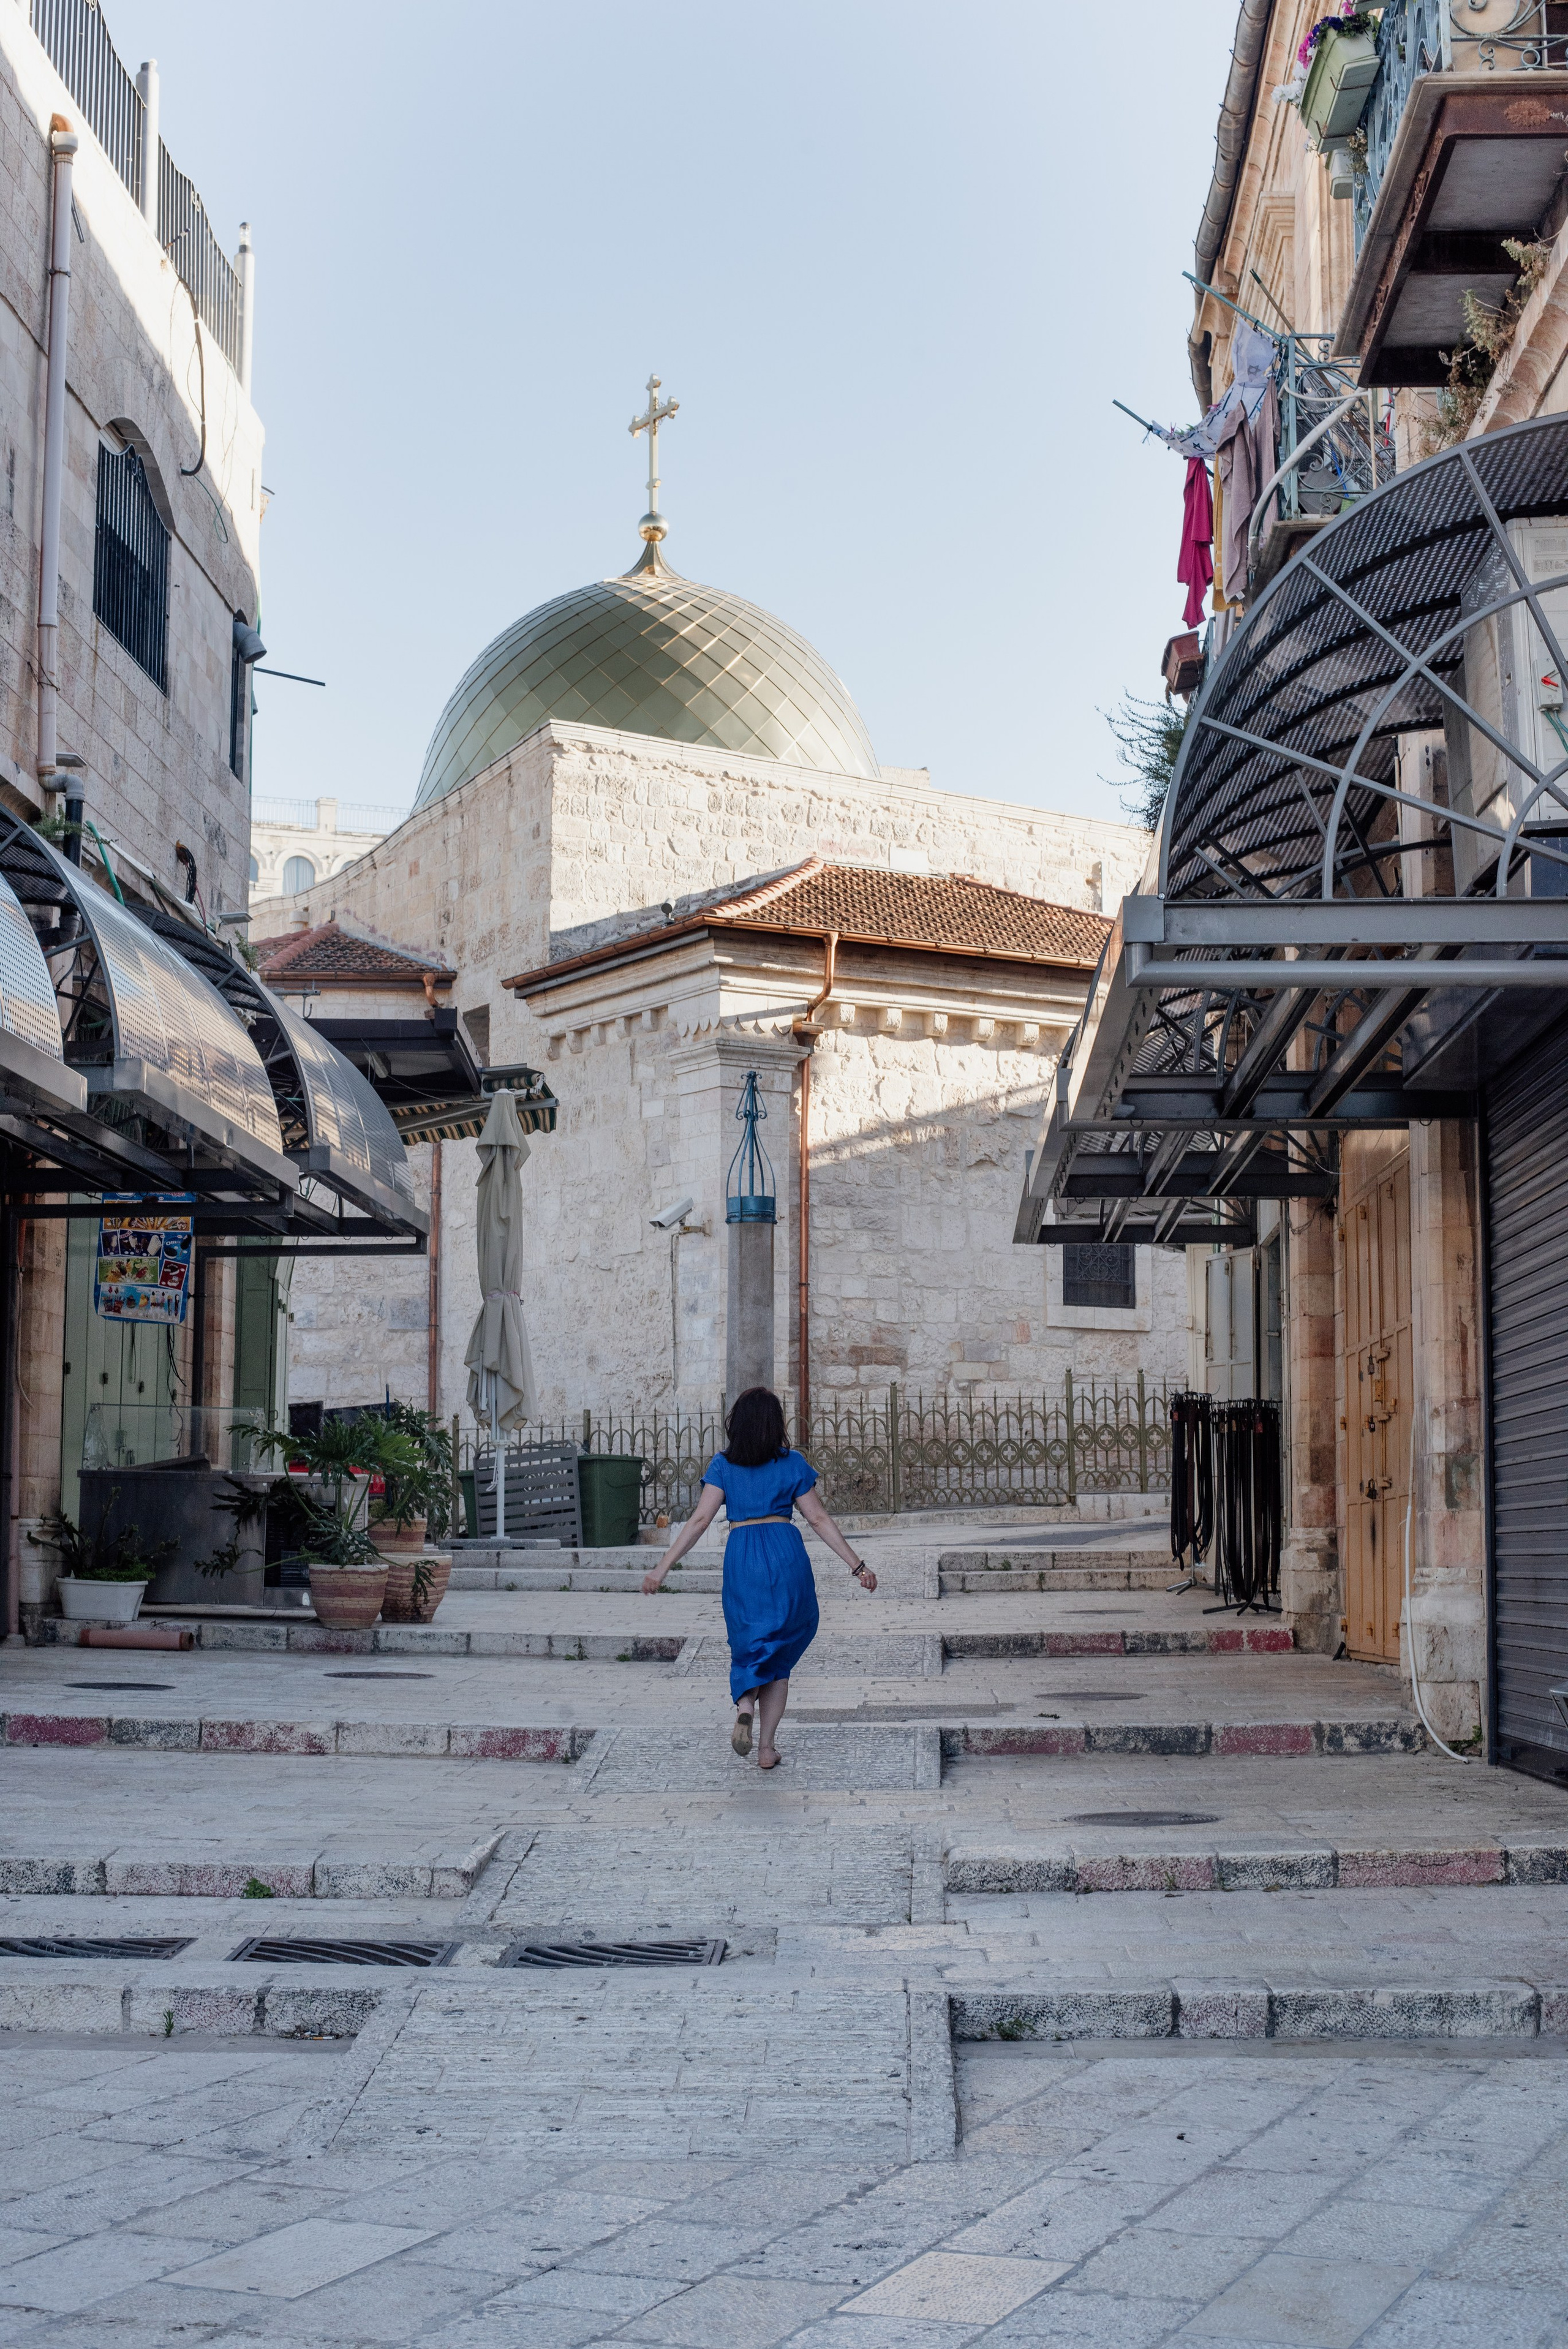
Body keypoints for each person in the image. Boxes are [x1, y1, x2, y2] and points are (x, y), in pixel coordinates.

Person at [641, 1385, 876, 1768]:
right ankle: (766, 1749)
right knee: (779, 1656)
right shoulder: (792, 1463)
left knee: (749, 1643)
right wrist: (858, 1566)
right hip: (786, 1554)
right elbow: (817, 1518)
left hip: (743, 1557)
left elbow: (700, 1520)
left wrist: (661, 1568)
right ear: (775, 1424)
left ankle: (745, 1703)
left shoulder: (722, 1465)